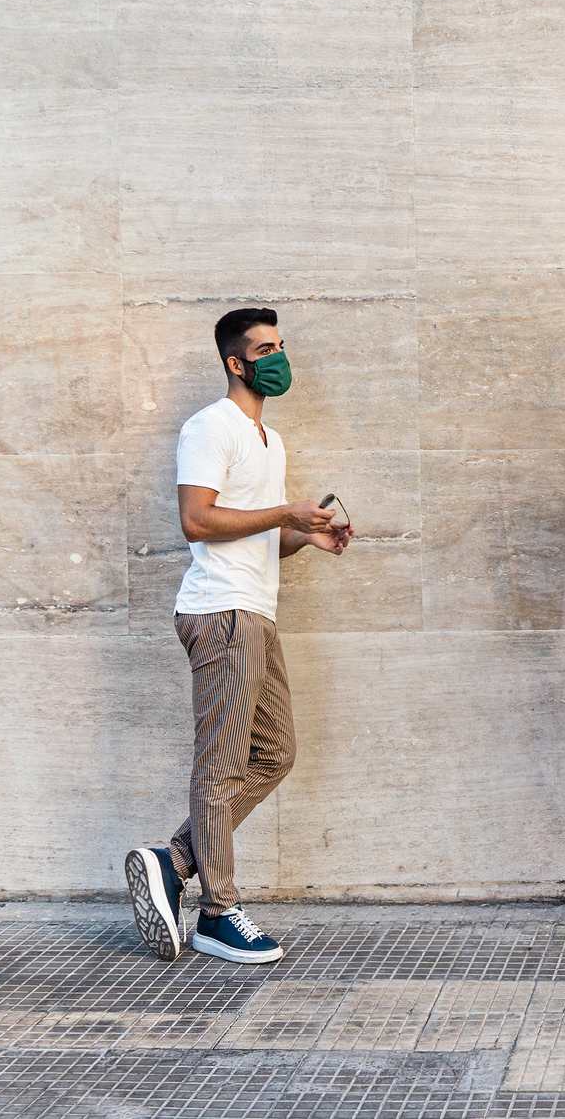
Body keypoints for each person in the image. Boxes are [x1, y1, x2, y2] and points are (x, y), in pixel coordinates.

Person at [125, 308, 349, 965]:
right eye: (263, 348)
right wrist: (285, 509)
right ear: (235, 362)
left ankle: (176, 860)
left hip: (255, 611)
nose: (277, 357)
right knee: (221, 765)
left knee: (274, 753)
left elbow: (255, 533)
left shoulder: (269, 441)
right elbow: (197, 520)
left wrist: (306, 535)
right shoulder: (209, 426)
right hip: (221, 614)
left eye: (280, 345)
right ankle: (218, 912)